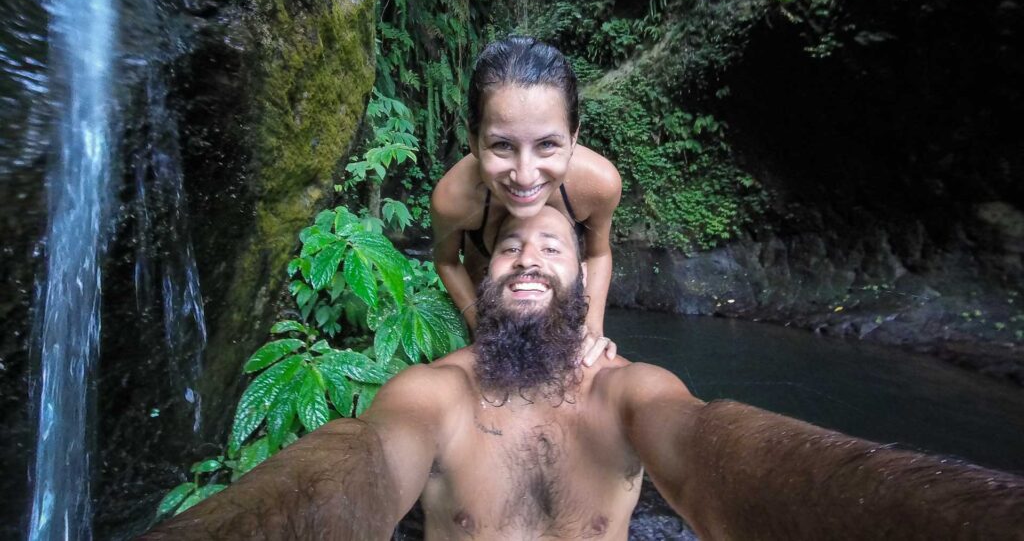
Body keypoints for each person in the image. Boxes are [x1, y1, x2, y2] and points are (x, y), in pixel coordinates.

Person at [141, 207, 1024, 540]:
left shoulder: (624, 392)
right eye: (510, 247)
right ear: (478, 281)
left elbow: (715, 453)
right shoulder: (433, 393)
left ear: (585, 282)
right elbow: (362, 470)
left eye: (552, 247)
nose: (527, 257)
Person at [431, 36, 621, 364]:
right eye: (503, 145)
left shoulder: (598, 185)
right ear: (473, 141)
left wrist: (591, 328)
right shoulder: (454, 200)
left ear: (573, 136)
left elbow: (599, 252)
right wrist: (481, 327)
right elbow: (447, 261)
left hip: (559, 313)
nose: (525, 175)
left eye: (547, 144)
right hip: (490, 311)